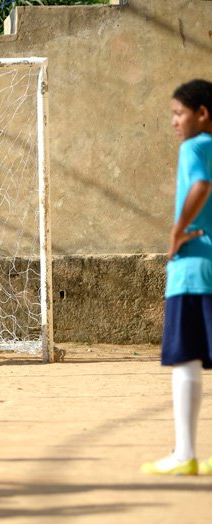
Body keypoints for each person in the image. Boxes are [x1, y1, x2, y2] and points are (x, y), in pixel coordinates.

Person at [141, 79, 212, 476]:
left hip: (194, 269)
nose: (173, 122)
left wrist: (177, 229)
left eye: (179, 113)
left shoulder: (194, 147)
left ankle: (185, 454)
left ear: (203, 114)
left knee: (185, 359)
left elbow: (200, 185)